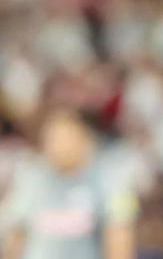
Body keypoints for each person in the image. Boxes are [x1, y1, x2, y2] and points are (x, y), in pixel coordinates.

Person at [0, 109, 137, 259]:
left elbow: (120, 235)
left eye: (65, 138)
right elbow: (16, 233)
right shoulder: (31, 177)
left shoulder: (109, 178)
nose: (58, 146)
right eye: (53, 139)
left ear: (83, 139)